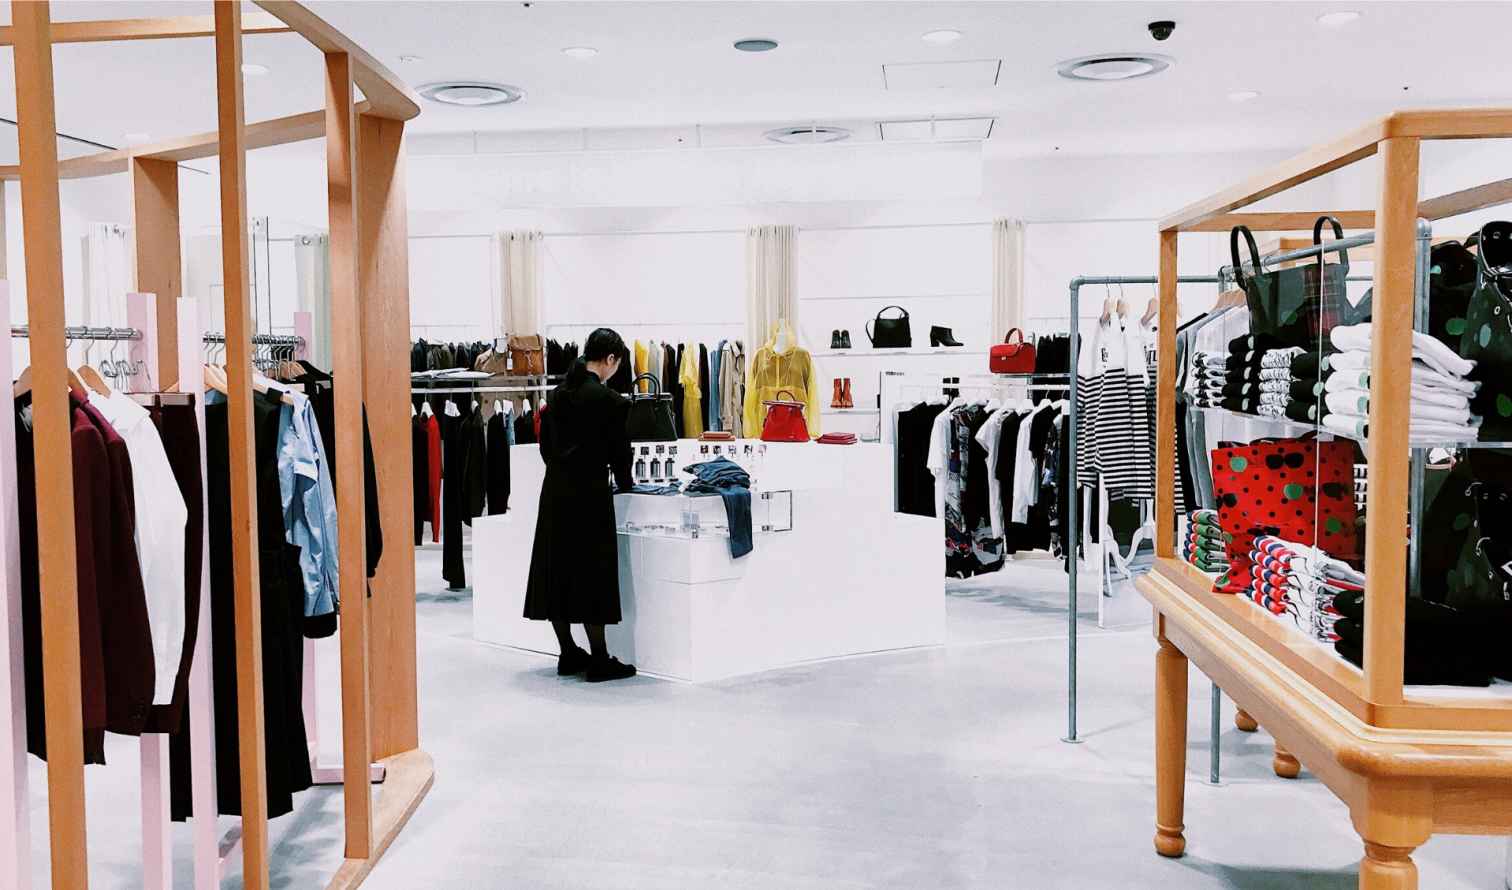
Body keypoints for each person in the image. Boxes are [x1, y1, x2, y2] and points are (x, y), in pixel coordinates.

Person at [523, 328, 638, 681]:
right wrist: (627, 484)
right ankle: (599, 658)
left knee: (557, 570)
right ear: (611, 359)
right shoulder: (609, 401)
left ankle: (568, 651)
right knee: (592, 573)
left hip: (556, 491)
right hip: (589, 494)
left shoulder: (558, 396)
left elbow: (545, 447)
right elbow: (620, 455)